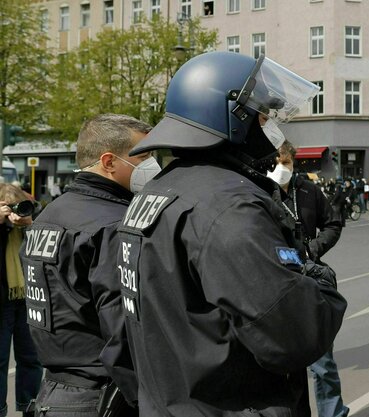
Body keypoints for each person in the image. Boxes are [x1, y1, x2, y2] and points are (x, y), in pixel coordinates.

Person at [114, 52, 346, 416]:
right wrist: (320, 281)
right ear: (234, 116)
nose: (270, 126)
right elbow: (297, 334)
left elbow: (122, 332)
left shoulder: (154, 193)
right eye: (263, 114)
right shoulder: (229, 207)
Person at [21, 114, 153, 417]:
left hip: (54, 392)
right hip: (103, 394)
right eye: (144, 156)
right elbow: (125, 328)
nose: (152, 165)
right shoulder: (111, 225)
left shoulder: (50, 216)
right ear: (109, 161)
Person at [267, 141, 348, 417]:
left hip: (311, 278)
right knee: (289, 370)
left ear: (293, 162)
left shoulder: (308, 190)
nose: (281, 169)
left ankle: (333, 414)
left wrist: (314, 248)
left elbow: (332, 224)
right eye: (276, 163)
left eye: (286, 163)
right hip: (278, 283)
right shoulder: (262, 193)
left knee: (323, 363)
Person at [0, 184, 42, 417]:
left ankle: (30, 407)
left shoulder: (28, 228)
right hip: (3, 303)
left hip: (28, 300)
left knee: (31, 358)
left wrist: (30, 227)